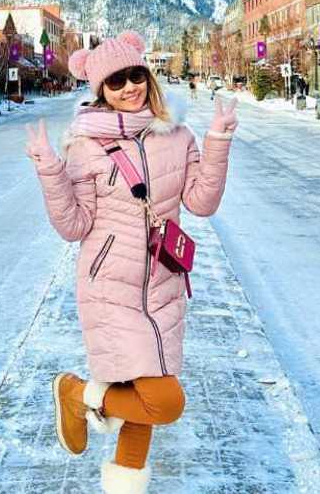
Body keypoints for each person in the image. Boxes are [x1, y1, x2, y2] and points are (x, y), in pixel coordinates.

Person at [24, 31, 237, 492]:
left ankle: (120, 479)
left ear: (148, 74)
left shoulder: (177, 134)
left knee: (145, 394)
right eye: (115, 81)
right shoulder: (85, 145)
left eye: (135, 75)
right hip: (111, 287)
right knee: (164, 401)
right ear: (100, 90)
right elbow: (75, 225)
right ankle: (78, 394)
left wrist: (218, 139)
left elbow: (201, 203)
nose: (128, 88)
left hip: (163, 285)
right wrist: (49, 170)